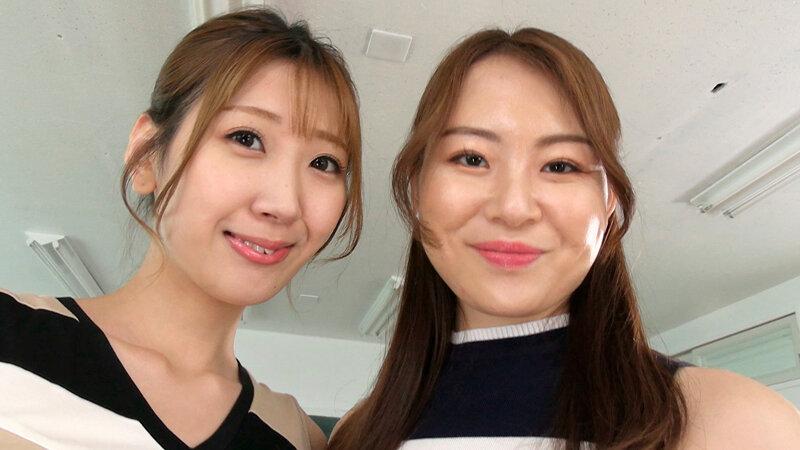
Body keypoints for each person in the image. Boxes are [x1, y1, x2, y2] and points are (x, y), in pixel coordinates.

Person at [329, 28, 800, 449]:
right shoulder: (358, 432)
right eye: (471, 158)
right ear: (416, 187)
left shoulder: (730, 424)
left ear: (609, 199)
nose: (513, 208)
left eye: (560, 165)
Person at [0, 8, 361, 450]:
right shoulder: (11, 337)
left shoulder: (296, 436)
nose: (286, 204)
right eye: (246, 138)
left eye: (324, 163)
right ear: (147, 154)